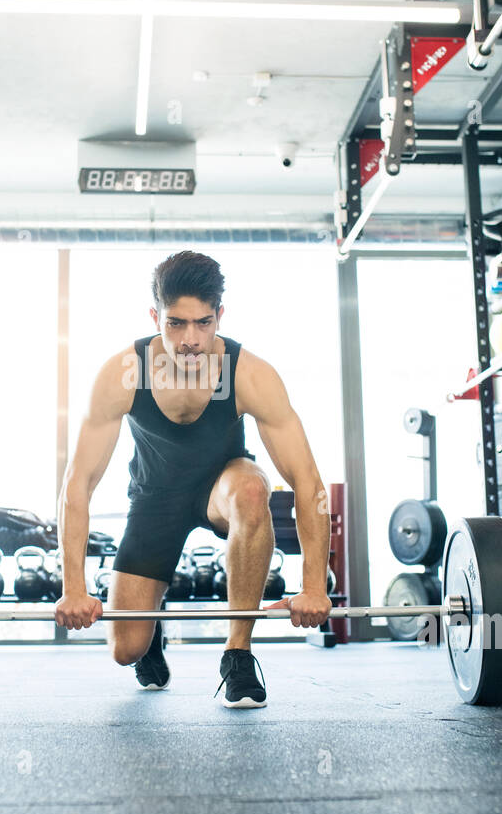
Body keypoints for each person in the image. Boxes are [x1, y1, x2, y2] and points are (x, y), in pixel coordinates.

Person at [55, 251, 331, 707]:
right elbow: (77, 484)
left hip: (220, 487)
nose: (190, 339)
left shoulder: (249, 374)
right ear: (154, 316)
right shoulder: (122, 374)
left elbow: (307, 481)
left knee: (252, 489)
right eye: (176, 324)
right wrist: (73, 588)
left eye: (203, 323)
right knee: (126, 650)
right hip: (154, 500)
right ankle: (151, 625)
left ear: (220, 315)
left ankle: (237, 654)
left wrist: (315, 583)